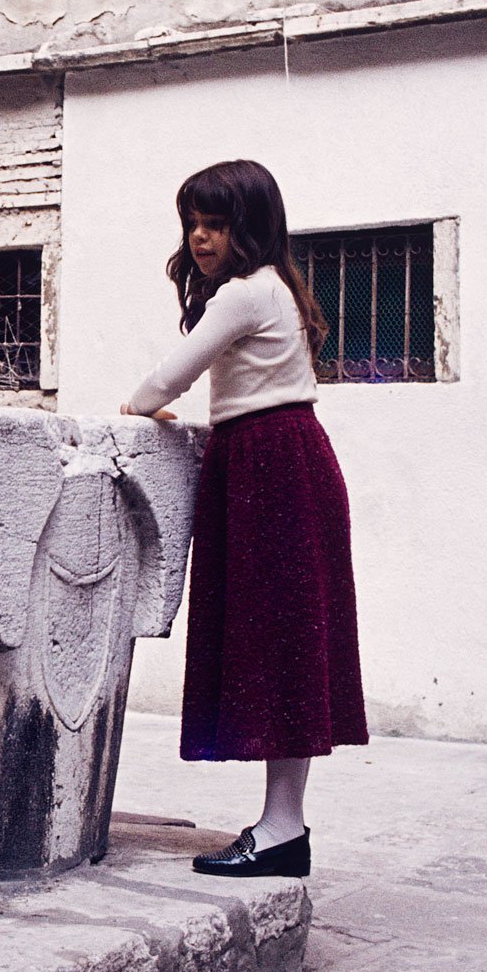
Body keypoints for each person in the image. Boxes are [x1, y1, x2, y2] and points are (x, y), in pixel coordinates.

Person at [120, 159, 367, 879]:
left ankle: (284, 827)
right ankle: (283, 823)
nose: (199, 238)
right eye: (193, 224)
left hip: (271, 467)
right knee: (285, 644)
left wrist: (137, 406)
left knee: (282, 644)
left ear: (247, 227)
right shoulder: (275, 288)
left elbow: (170, 376)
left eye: (216, 224)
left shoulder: (244, 294)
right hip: (271, 462)